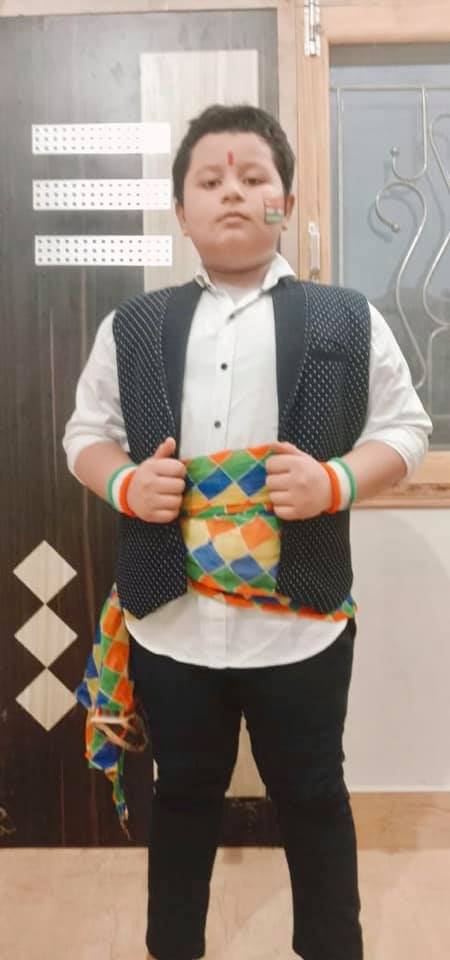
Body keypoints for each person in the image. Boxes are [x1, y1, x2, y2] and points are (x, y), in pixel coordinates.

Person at [63, 103, 432, 960]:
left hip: (301, 620)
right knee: (182, 796)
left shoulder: (348, 317)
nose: (232, 191)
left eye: (255, 177)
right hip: (170, 617)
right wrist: (124, 482)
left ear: (286, 204)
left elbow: (406, 429)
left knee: (313, 796)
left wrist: (335, 481)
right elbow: (85, 434)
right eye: (210, 180)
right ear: (181, 211)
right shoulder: (131, 326)